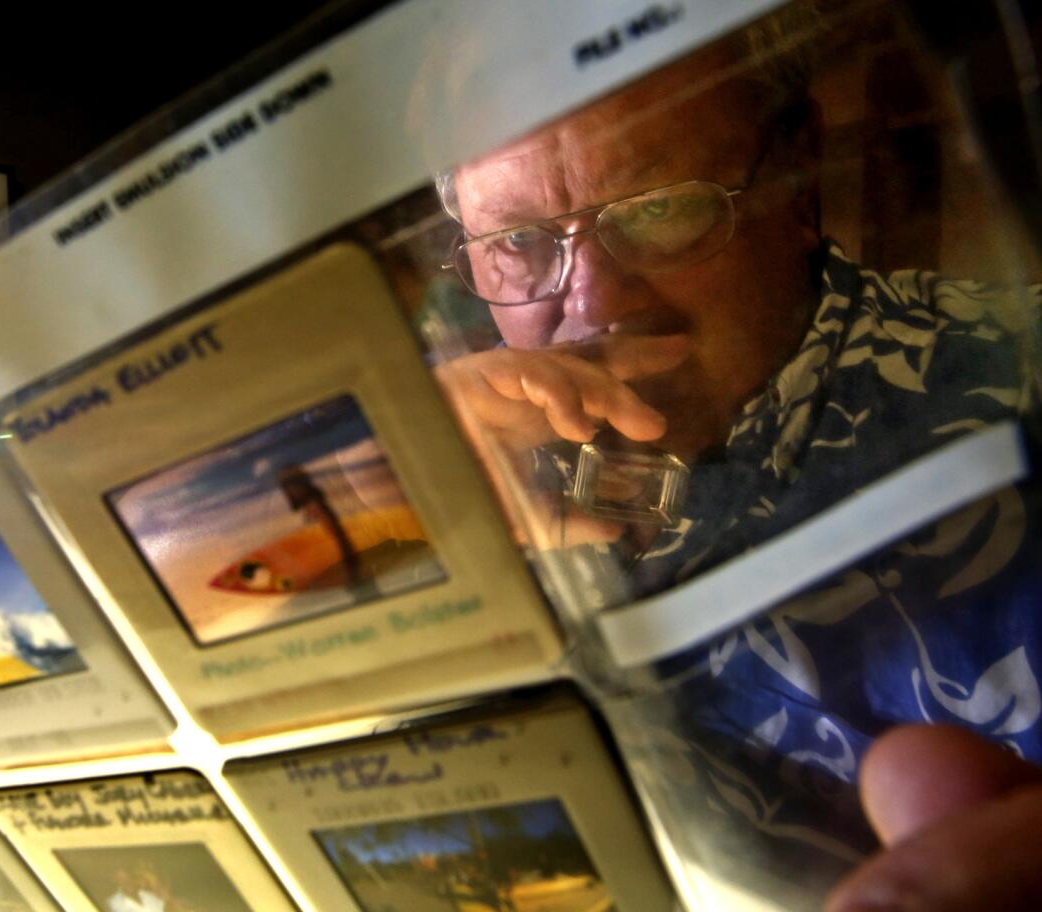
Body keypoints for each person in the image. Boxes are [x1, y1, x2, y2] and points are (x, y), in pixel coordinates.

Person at [432, 8, 1042, 909]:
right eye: (519, 244)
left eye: (662, 208)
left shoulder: (1014, 382)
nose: (595, 302)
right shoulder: (456, 460)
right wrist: (414, 541)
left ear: (793, 182)